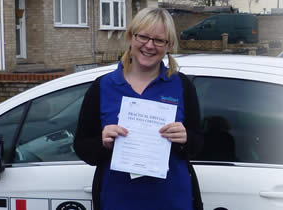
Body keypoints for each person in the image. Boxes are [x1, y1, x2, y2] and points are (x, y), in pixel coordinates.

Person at [73, 8, 204, 210]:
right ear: (131, 37)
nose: (149, 46)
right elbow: (82, 146)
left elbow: (198, 143)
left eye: (159, 40)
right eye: (143, 36)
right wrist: (102, 142)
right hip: (118, 201)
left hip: (172, 201)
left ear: (168, 46)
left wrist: (185, 138)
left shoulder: (181, 86)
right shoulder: (103, 86)